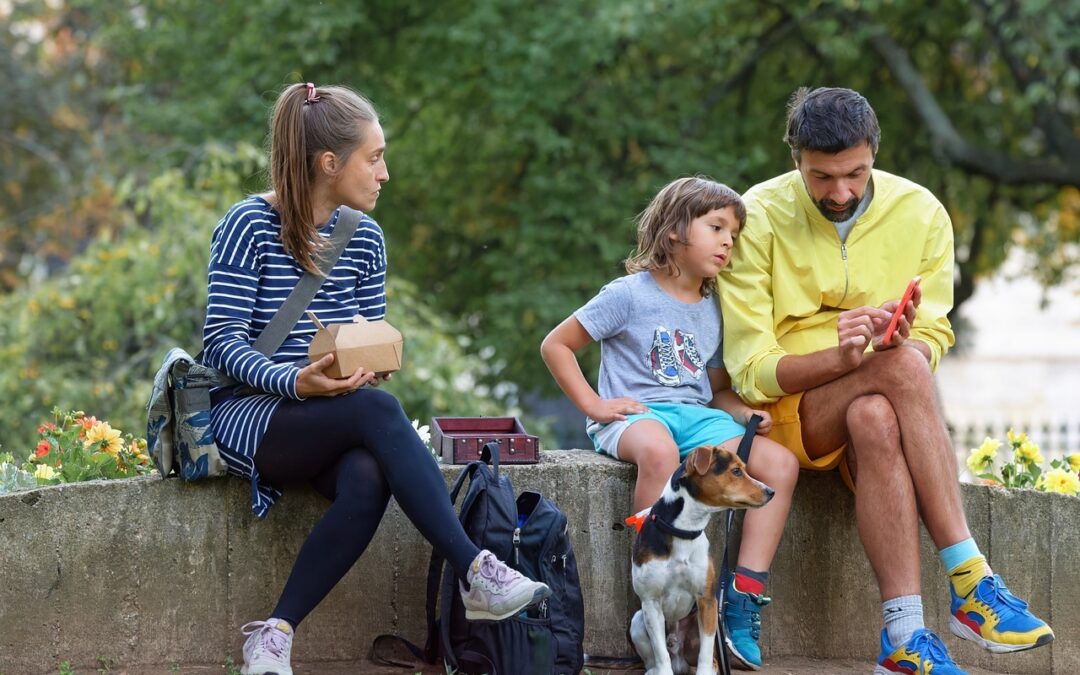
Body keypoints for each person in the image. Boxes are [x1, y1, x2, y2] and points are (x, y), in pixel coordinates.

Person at [201, 82, 550, 675]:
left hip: (331, 411)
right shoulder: (248, 224)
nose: (385, 173)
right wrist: (295, 382)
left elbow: (365, 337)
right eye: (376, 157)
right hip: (250, 410)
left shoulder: (364, 237)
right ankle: (474, 569)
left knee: (367, 476)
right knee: (381, 414)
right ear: (329, 164)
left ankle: (274, 635)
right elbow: (220, 344)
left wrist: (366, 365)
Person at [721, 87, 1054, 673]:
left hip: (875, 411)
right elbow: (750, 374)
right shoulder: (760, 215)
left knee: (877, 410)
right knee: (896, 371)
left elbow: (935, 333)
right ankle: (971, 580)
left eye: (854, 173)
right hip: (788, 417)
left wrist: (907, 345)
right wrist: (846, 359)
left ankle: (902, 637)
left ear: (875, 151)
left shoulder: (921, 212)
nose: (840, 192)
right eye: (821, 177)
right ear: (795, 158)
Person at [541, 176, 800, 670]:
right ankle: (654, 590)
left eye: (734, 233)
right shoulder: (628, 295)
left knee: (779, 464)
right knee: (659, 453)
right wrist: (595, 406)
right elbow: (556, 345)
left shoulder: (715, 307)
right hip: (636, 416)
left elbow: (717, 388)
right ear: (674, 231)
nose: (729, 241)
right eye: (717, 226)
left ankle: (742, 594)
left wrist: (743, 416)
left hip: (697, 418)